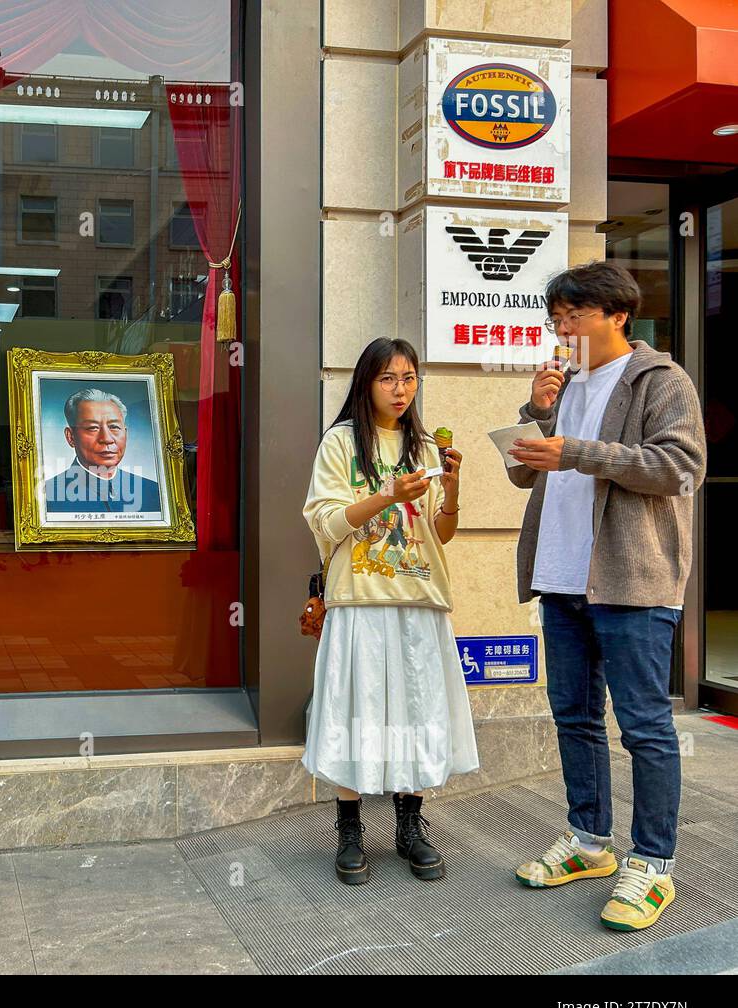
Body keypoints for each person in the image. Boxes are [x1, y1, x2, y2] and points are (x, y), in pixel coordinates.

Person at [507, 261, 705, 932]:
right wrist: (535, 415)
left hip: (632, 580)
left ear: (618, 314)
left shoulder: (661, 381)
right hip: (561, 579)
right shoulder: (562, 386)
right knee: (576, 717)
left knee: (645, 725)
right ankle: (590, 842)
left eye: (574, 316)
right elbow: (521, 473)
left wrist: (579, 452)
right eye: (555, 318)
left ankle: (652, 863)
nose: (562, 329)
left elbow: (679, 469)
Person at [302, 337, 478, 884]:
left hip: (418, 597)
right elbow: (324, 522)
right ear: (365, 383)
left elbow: (438, 534)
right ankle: (350, 829)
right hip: (358, 598)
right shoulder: (339, 444)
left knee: (417, 711)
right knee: (354, 709)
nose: (400, 390)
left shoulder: (425, 447)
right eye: (388, 379)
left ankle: (410, 826)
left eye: (409, 378)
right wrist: (386, 495)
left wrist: (450, 492)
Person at [43, 388, 161, 514]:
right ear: (70, 437)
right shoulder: (47, 496)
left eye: (114, 427)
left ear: (125, 434)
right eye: (92, 428)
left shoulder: (153, 492)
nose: (107, 439)